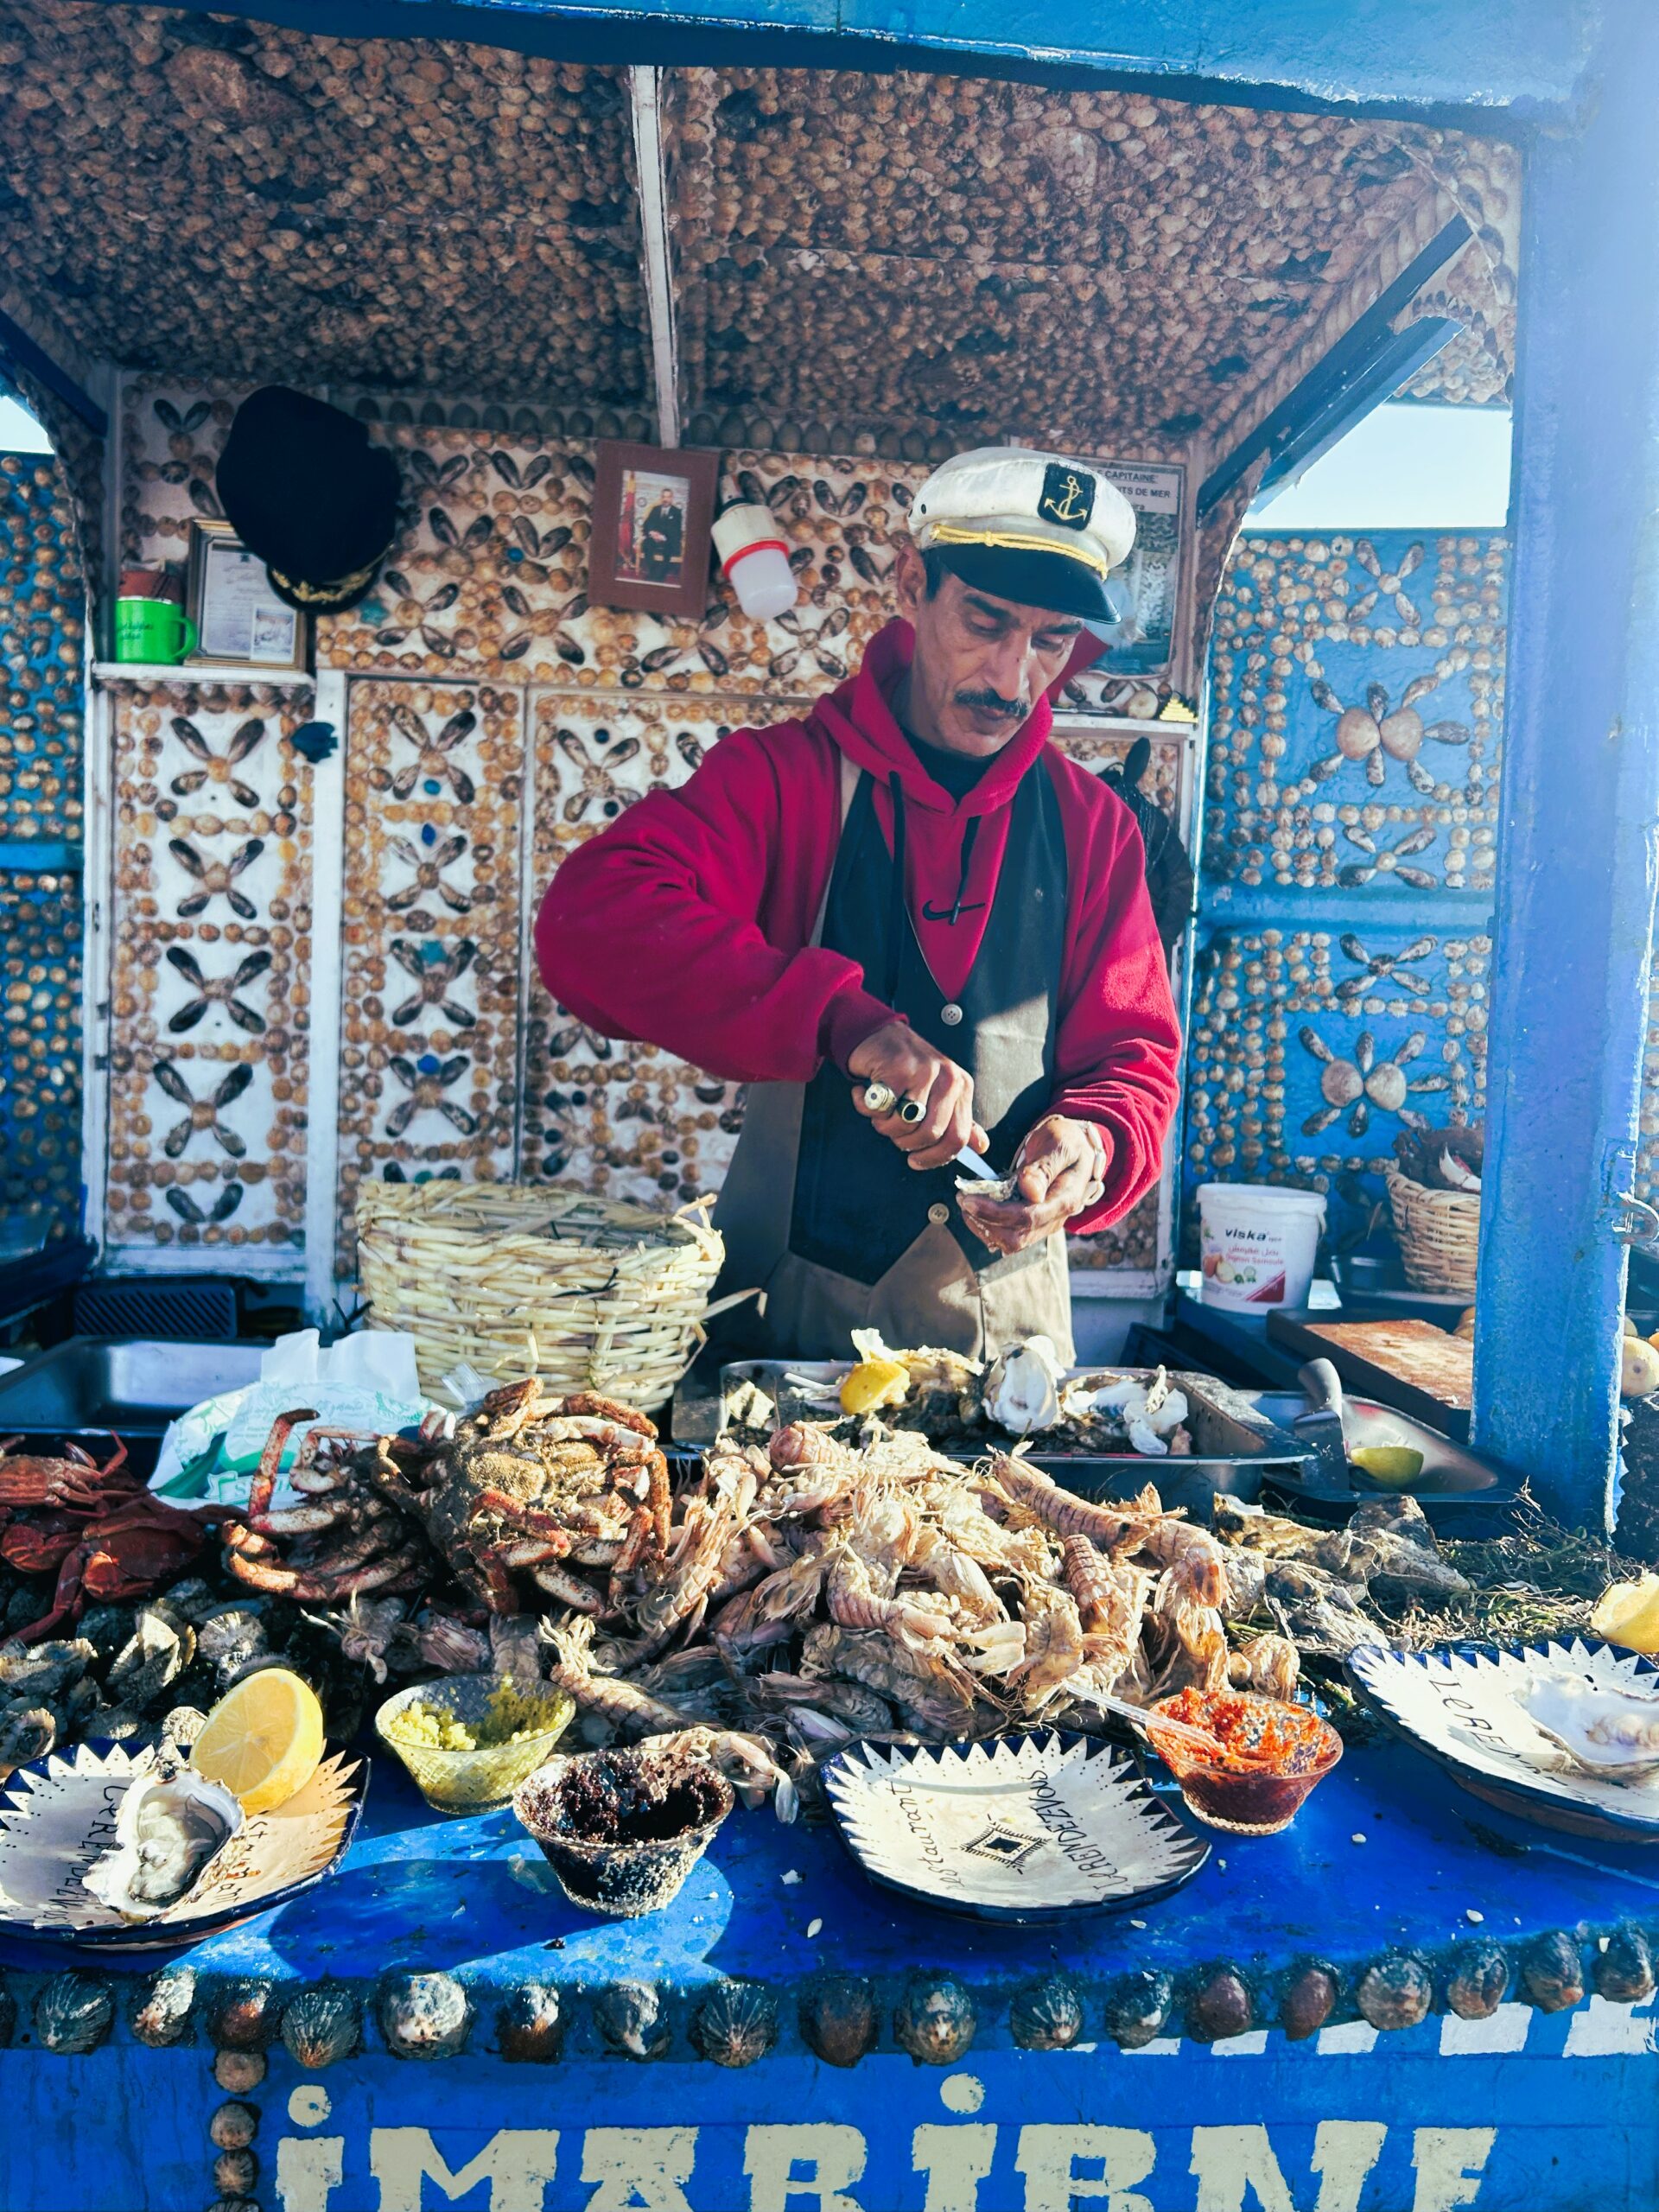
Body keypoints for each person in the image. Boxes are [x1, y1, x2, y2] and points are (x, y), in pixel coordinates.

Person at [536, 447, 1182, 1361]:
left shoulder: (1095, 828)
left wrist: (1094, 1143)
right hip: (778, 1346)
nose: (1011, 677)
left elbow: (1136, 1060)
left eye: (1049, 640)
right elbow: (588, 923)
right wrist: (836, 1017)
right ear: (914, 583)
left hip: (1012, 1364)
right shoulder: (786, 782)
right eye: (986, 619)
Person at [640, 488, 684, 583]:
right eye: (664, 497)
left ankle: (659, 576)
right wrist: (652, 533)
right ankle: (652, 572)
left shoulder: (677, 512)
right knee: (647, 544)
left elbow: (676, 530)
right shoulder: (655, 510)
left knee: (668, 548)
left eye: (668, 497)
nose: (665, 499)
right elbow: (647, 524)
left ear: (672, 498)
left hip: (668, 540)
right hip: (654, 539)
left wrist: (663, 537)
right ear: (661, 498)